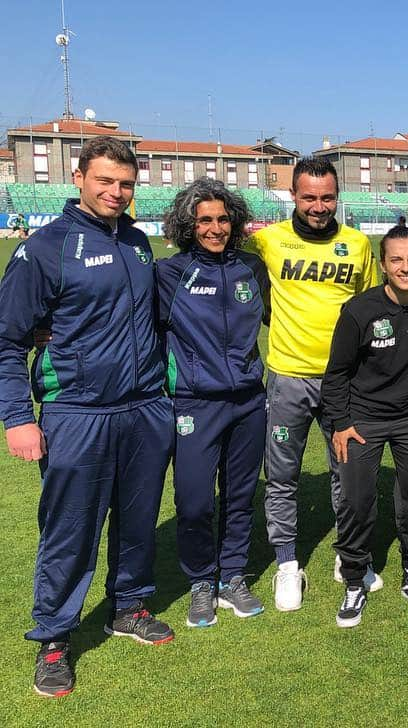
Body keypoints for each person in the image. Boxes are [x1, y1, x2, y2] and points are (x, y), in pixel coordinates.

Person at [0, 137, 174, 697]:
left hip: (144, 406)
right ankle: (53, 637)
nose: (116, 192)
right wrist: (17, 418)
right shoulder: (45, 248)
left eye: (125, 183)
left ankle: (129, 606)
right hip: (76, 411)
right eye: (105, 181)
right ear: (79, 178)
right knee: (70, 528)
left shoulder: (141, 243)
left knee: (138, 517)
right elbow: (7, 340)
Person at [247, 156, 381, 611]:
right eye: (309, 197)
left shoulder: (359, 244)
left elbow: (370, 307)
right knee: (281, 473)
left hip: (345, 382)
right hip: (288, 377)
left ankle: (349, 556)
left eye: (327, 197)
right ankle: (287, 562)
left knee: (347, 471)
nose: (319, 206)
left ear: (337, 196)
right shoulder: (268, 241)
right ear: (293, 196)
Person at [157, 178, 271, 628]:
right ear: (188, 224)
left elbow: (281, 317)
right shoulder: (170, 273)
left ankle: (233, 577)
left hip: (247, 401)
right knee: (194, 500)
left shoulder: (251, 268)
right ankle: (202, 581)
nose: (215, 227)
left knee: (240, 496)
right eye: (205, 220)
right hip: (194, 402)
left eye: (223, 218)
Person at [322, 225, 408, 627]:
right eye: (397, 259)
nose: (406, 267)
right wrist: (341, 423)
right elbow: (336, 373)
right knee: (357, 502)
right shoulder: (360, 310)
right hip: (363, 420)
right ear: (383, 265)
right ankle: (355, 579)